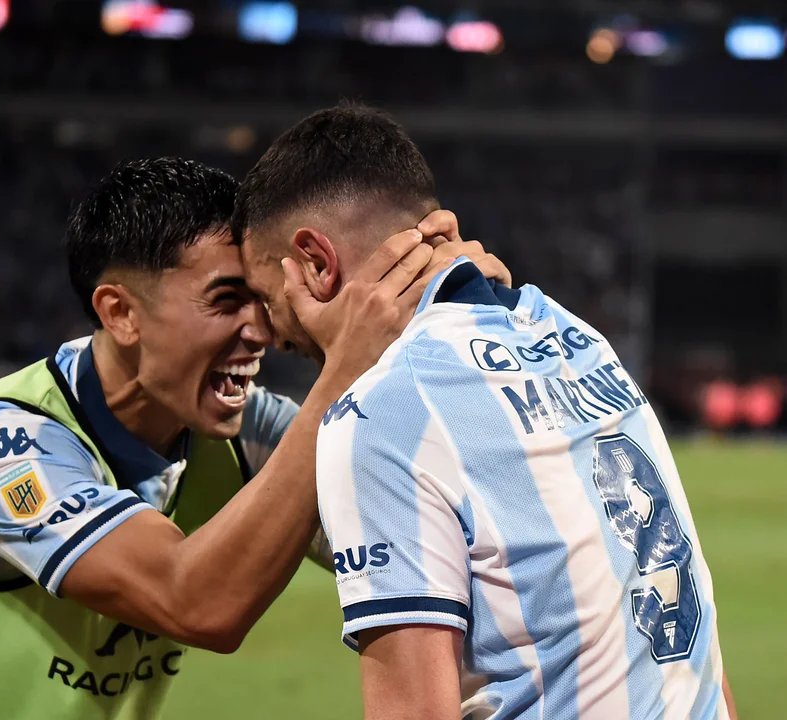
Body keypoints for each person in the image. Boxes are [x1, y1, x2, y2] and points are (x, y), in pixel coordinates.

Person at [0, 157, 509, 720]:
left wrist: (477, 328)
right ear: (120, 313)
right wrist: (345, 373)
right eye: (226, 300)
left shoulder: (248, 434)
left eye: (260, 297)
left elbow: (464, 531)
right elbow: (194, 601)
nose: (259, 329)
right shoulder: (2, 449)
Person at [233, 104, 738, 720]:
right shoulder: (578, 339)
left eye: (265, 294)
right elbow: (702, 656)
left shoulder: (380, 413)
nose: (267, 329)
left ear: (316, 262)